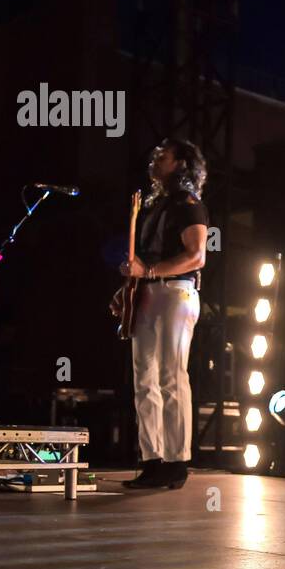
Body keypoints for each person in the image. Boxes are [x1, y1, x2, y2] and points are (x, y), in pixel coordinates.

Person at [116, 138, 209, 490]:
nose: (155, 159)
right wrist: (131, 282)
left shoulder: (189, 204)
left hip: (176, 292)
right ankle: (153, 459)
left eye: (164, 156)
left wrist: (150, 273)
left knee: (171, 375)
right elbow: (146, 260)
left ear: (182, 164)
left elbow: (197, 256)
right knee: (144, 379)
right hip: (150, 294)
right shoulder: (157, 205)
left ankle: (177, 460)